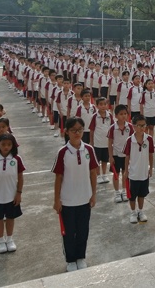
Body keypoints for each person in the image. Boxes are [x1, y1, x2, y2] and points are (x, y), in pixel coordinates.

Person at [52, 117, 98, 272]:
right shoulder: (63, 152)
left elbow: (93, 173)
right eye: (73, 130)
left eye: (80, 130)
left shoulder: (89, 150)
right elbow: (58, 177)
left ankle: (81, 257)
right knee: (69, 232)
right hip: (67, 201)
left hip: (85, 198)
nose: (77, 133)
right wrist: (57, 200)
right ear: (67, 132)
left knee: (83, 230)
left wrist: (93, 194)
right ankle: (71, 259)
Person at [0, 134, 24, 253]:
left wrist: (19, 193)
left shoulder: (17, 159)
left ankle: (10, 239)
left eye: (9, 144)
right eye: (3, 144)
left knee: (11, 218)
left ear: (13, 146)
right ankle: (0, 240)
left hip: (12, 196)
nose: (6, 147)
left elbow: (20, 177)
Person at [123, 115, 155, 224]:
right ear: (134, 126)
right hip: (133, 173)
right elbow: (127, 156)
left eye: (144, 125)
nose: (142, 128)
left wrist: (151, 168)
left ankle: (140, 211)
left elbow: (151, 154)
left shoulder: (149, 139)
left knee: (142, 194)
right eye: (139, 126)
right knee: (132, 196)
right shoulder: (129, 140)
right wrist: (126, 171)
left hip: (144, 172)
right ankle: (133, 212)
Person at [108, 105, 134, 203]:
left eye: (125, 114)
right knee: (116, 174)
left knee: (125, 173)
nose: (123, 116)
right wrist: (110, 156)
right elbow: (110, 143)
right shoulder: (112, 128)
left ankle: (124, 190)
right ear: (116, 116)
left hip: (126, 155)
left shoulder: (130, 127)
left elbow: (132, 141)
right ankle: (117, 192)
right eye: (121, 114)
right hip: (116, 154)